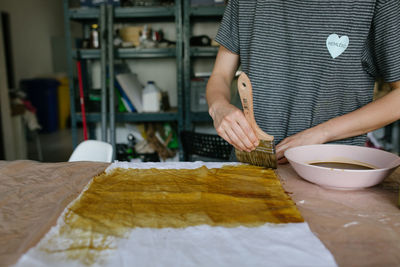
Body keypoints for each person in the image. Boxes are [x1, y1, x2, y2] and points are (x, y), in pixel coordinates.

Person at [206, 0, 400, 164]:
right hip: (249, 166)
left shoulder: (376, 4)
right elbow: (220, 75)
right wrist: (219, 107)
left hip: (330, 170)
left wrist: (321, 133)